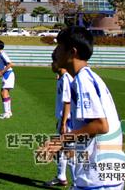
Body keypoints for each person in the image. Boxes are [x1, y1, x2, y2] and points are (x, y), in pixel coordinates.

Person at [45, 26, 125, 189]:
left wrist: (61, 139)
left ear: (72, 52)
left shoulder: (83, 81)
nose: (56, 52)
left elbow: (101, 125)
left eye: (59, 46)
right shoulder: (87, 78)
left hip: (98, 179)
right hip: (103, 174)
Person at [45, 52, 75, 187]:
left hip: (68, 122)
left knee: (69, 152)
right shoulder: (62, 78)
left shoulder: (66, 79)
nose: (51, 65)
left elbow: (67, 102)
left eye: (53, 62)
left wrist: (63, 123)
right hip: (64, 120)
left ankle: (76, 183)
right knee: (61, 150)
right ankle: (61, 177)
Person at [0, 40, 15, 119]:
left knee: (3, 93)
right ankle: (9, 112)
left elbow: (10, 64)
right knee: (5, 93)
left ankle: (6, 113)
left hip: (8, 75)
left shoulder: (2, 54)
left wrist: (2, 72)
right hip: (7, 75)